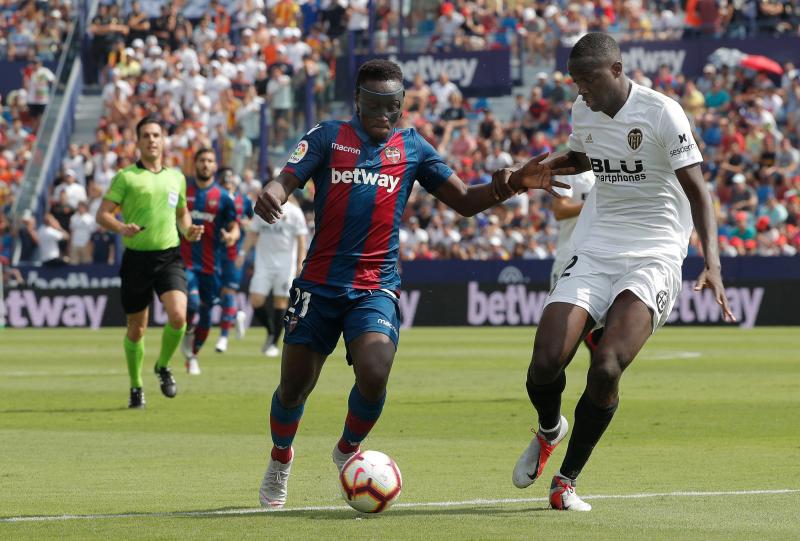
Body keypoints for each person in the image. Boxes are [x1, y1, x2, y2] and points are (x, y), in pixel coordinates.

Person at [252, 59, 569, 508]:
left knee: (376, 372)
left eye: (394, 106)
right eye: (377, 105)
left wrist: (513, 183)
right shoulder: (328, 136)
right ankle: (280, 459)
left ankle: (346, 450)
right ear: (358, 102)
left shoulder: (413, 146)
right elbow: (287, 178)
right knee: (294, 388)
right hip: (318, 286)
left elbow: (461, 200)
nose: (386, 115)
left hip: (375, 288)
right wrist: (274, 191)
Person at [506, 33, 735, 512]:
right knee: (545, 362)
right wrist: (545, 166)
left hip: (654, 252)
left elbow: (699, 192)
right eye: (575, 82)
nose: (580, 90)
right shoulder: (582, 110)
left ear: (616, 70)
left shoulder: (662, 112)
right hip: (597, 246)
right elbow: (588, 156)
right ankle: (550, 429)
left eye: (587, 80)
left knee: (607, 365)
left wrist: (711, 261)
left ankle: (566, 481)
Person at [96, 116, 203, 409]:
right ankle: (136, 386)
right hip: (136, 260)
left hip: (168, 256)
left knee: (179, 316)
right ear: (138, 141)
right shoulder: (126, 177)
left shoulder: (176, 177)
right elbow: (102, 214)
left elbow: (181, 213)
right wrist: (120, 227)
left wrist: (189, 230)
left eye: (156, 135)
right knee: (136, 329)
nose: (152, 140)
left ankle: (163, 365)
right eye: (146, 135)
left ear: (163, 140)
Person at [179, 148, 239, 375]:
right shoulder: (184, 191)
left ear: (215, 166)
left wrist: (231, 236)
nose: (206, 164)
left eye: (210, 161)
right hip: (185, 262)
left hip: (211, 265)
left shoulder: (223, 197)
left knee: (205, 315)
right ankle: (185, 331)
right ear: (195, 164)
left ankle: (192, 355)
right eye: (202, 160)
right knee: (192, 304)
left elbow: (233, 225)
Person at [236, 194, 307, 357]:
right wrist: (242, 253)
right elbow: (253, 233)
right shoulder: (263, 209)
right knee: (256, 299)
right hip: (263, 263)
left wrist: (300, 262)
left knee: (280, 302)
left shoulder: (295, 212)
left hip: (285, 265)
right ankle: (270, 331)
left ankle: (273, 343)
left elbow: (301, 239)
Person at [550, 170, 604, 351]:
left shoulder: (613, 162)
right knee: (560, 336)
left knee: (602, 338)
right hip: (570, 256)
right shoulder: (571, 171)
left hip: (602, 257)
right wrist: (596, 203)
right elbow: (559, 210)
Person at [215, 169, 254, 353]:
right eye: (225, 181)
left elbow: (256, 221)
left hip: (234, 251)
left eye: (231, 181)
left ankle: (223, 338)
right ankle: (236, 314)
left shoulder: (243, 200)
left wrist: (247, 224)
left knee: (228, 290)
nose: (228, 183)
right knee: (217, 292)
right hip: (213, 250)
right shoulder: (214, 197)